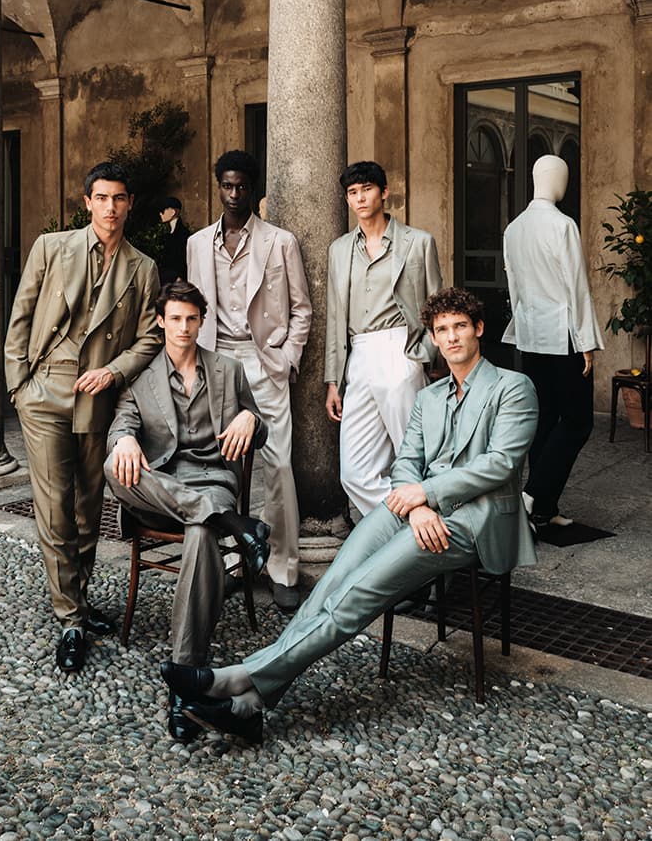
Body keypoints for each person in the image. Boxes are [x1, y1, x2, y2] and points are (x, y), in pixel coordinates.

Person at [160, 287, 538, 744]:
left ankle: (237, 678)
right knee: (334, 581)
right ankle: (251, 705)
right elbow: (405, 463)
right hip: (418, 510)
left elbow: (500, 464)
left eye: (461, 326)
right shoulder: (430, 397)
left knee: (360, 591)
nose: (452, 337)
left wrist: (425, 493)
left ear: (479, 329)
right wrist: (417, 502)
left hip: (475, 521)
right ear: (434, 339)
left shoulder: (513, 387)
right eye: (442, 330)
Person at [4, 161, 162, 673]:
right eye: (101, 198)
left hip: (98, 394)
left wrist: (114, 372)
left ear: (129, 203)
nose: (109, 207)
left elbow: (151, 336)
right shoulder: (51, 248)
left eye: (118, 198)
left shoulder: (143, 267)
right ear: (87, 201)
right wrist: (19, 386)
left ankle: (81, 594)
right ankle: (69, 616)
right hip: (46, 389)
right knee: (53, 507)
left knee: (89, 508)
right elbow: (21, 314)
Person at [104, 279, 268, 742]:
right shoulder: (142, 378)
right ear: (161, 321)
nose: (183, 327)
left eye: (191, 319)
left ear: (202, 321)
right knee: (114, 466)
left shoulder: (228, 370)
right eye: (174, 318)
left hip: (212, 483)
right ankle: (237, 526)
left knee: (200, 533)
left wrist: (250, 418)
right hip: (162, 488)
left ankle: (184, 683)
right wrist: (127, 440)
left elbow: (261, 431)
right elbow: (120, 425)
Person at [187, 150, 312, 612]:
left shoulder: (281, 242)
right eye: (227, 186)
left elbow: (302, 309)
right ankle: (234, 561)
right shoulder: (198, 243)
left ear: (254, 189)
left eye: (242, 186)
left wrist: (287, 358)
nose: (234, 194)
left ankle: (283, 567)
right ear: (218, 187)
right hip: (215, 363)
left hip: (265, 362)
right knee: (219, 465)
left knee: (277, 465)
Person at [325, 161, 443, 516]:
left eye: (367, 189)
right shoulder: (340, 249)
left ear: (384, 192)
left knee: (413, 456)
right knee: (355, 472)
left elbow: (437, 305)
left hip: (401, 351)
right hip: (358, 357)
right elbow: (334, 316)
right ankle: (411, 529)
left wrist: (425, 357)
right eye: (352, 192)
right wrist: (333, 380)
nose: (360, 198)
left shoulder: (418, 243)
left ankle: (427, 542)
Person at [502, 154, 604, 529]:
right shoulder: (563, 225)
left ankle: (544, 508)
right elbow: (576, 287)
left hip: (531, 336)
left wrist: (521, 330)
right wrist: (586, 340)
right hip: (564, 336)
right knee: (578, 421)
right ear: (554, 179)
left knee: (544, 419)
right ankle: (533, 495)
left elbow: (514, 288)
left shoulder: (513, 228)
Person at [159, 196, 190, 283]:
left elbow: (183, 258)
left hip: (176, 280)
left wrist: (180, 277)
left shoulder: (183, 234)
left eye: (163, 211)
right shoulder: (171, 233)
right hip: (168, 279)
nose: (161, 214)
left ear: (172, 212)